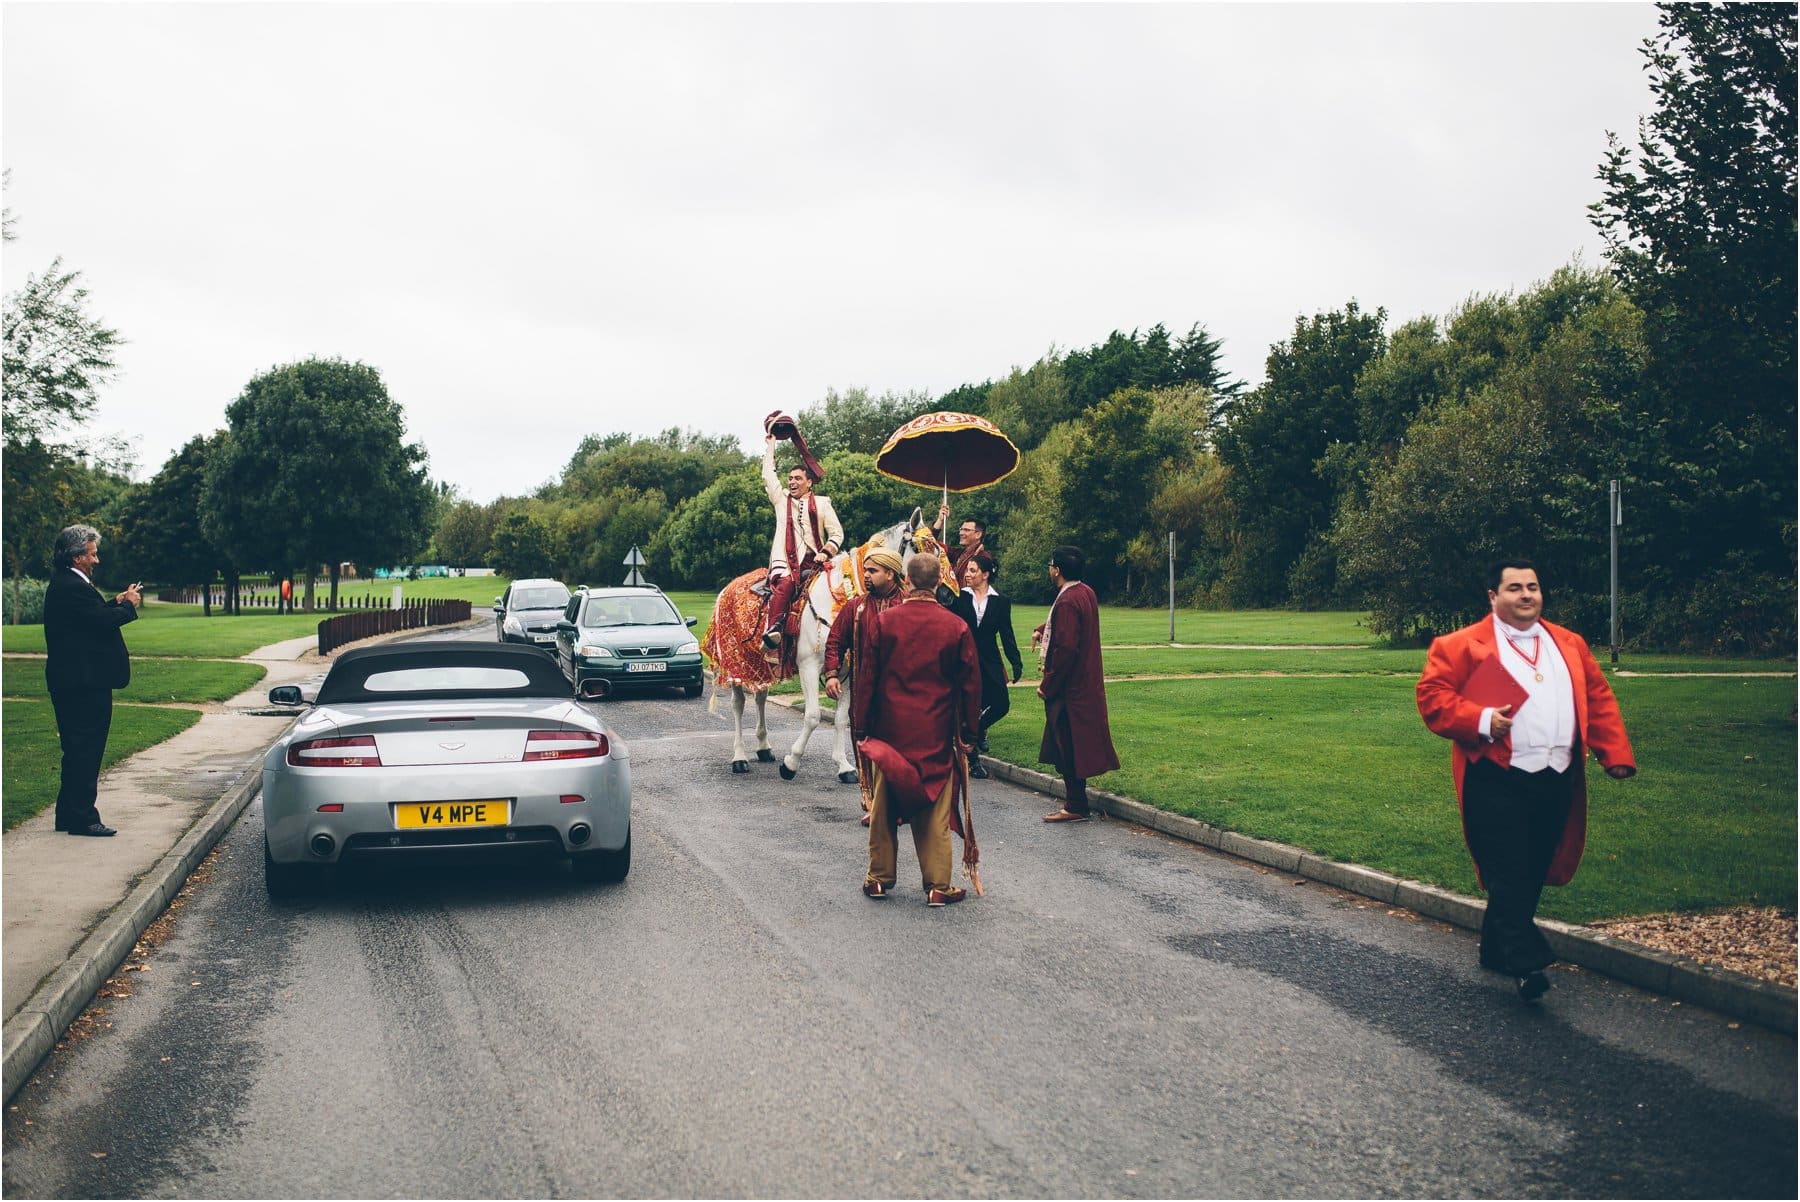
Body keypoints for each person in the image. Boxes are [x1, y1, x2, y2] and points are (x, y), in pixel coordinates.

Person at [1416, 558, 1637, 1002]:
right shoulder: (1460, 645)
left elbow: (1597, 695)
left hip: (1556, 777)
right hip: (1495, 776)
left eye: (1532, 587)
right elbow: (1433, 697)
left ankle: (1496, 950)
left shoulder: (1568, 643)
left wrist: (1613, 753)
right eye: (1514, 588)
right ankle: (1526, 960)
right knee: (1507, 868)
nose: (1526, 595)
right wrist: (1480, 719)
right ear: (1493, 597)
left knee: (1533, 869)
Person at [851, 553, 982, 906]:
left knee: (883, 804)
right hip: (935, 731)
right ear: (939, 583)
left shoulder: (884, 621)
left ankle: (878, 878)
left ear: (907, 581)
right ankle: (938, 885)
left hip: (889, 730)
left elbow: (868, 678)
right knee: (935, 806)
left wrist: (861, 726)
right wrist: (970, 733)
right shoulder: (956, 626)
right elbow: (971, 685)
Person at [43, 524, 141, 837]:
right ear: (76, 557)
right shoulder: (73, 586)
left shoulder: (67, 583)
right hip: (83, 683)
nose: (96, 560)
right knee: (86, 749)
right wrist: (127, 607)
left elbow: (89, 617)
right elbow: (99, 623)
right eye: (92, 554)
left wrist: (114, 602)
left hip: (72, 680)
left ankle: (67, 814)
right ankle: (84, 818)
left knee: (75, 749)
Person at [1035, 545, 1119, 823]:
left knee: (1067, 745)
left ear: (1057, 570)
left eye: (1051, 565)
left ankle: (1075, 805)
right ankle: (1076, 802)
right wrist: (1043, 629)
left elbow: (1066, 648)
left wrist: (1048, 684)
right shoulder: (1085, 592)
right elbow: (1065, 628)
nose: (1050, 569)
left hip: (1071, 688)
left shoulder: (1069, 600)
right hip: (1085, 682)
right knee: (1071, 744)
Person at [822, 544, 905, 824]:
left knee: (897, 748)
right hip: (864, 692)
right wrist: (832, 674)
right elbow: (835, 640)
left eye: (873, 570)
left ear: (891, 574)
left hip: (900, 694)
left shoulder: (908, 605)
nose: (866, 575)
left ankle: (894, 804)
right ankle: (874, 804)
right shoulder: (855, 607)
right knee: (866, 745)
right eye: (865, 570)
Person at [760, 415, 843, 649]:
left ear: (809, 483)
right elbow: (768, 476)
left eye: (798, 478)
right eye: (790, 478)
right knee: (786, 583)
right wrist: (771, 446)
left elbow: (836, 533)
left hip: (817, 561)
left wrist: (825, 553)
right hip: (786, 561)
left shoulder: (824, 503)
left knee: (842, 585)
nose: (793, 482)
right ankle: (773, 630)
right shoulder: (781, 499)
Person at [951, 551, 1023, 779]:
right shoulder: (958, 597)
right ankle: (973, 760)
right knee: (970, 706)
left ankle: (977, 729)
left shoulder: (1001, 601)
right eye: (968, 571)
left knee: (1001, 703)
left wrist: (1015, 661)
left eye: (973, 571)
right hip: (963, 659)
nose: (968, 575)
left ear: (986, 574)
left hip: (989, 659)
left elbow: (1007, 633)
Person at [934, 503, 989, 584]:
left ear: (978, 534)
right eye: (961, 529)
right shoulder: (958, 554)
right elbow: (930, 542)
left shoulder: (984, 557)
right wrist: (940, 520)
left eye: (966, 530)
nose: (961, 533)